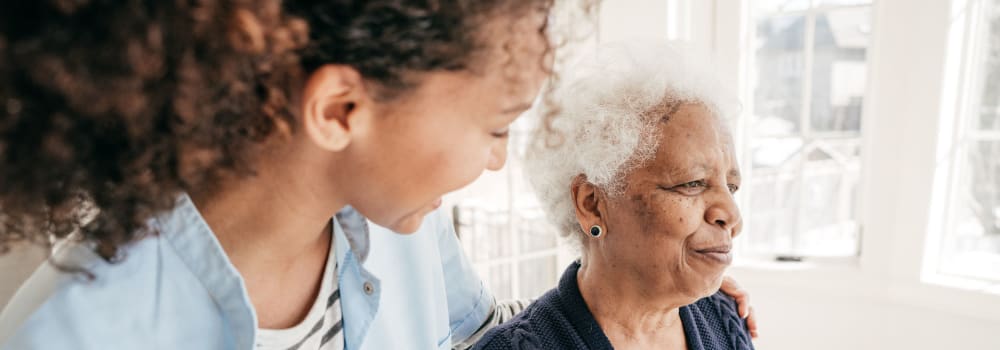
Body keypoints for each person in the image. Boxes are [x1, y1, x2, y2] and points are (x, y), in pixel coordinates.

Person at [0, 2, 754, 349]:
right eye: (494, 127)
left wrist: (635, 298)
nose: (497, 159)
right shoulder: (72, 333)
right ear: (342, 108)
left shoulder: (405, 232)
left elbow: (484, 334)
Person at [475, 44, 755, 349]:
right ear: (592, 205)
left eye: (732, 187)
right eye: (692, 183)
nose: (732, 216)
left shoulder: (725, 317)